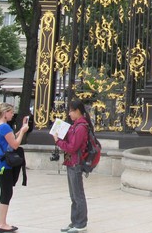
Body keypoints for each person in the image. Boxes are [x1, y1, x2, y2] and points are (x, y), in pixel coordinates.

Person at [52, 100, 92, 233]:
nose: (69, 114)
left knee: (78, 194)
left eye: (71, 111)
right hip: (71, 162)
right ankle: (75, 221)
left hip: (76, 162)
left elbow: (73, 147)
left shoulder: (81, 127)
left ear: (77, 111)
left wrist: (58, 142)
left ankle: (81, 224)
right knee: (73, 195)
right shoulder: (75, 125)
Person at [0, 103, 29, 233]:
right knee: (6, 192)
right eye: (10, 112)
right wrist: (23, 132)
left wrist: (21, 129)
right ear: (5, 113)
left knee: (4, 192)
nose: (12, 114)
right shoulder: (4, 127)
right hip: (4, 164)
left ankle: (2, 222)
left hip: (0, 162)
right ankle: (2, 223)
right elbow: (15, 145)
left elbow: (9, 139)